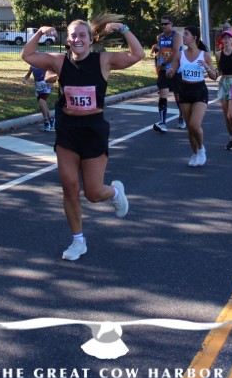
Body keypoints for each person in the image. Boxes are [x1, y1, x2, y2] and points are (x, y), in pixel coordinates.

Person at [21, 15, 144, 261]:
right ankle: (78, 241)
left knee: (93, 193)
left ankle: (115, 192)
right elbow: (27, 55)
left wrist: (123, 29)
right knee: (69, 187)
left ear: (90, 39)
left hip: (93, 129)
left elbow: (137, 54)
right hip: (67, 129)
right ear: (68, 40)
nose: (77, 39)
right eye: (73, 36)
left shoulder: (103, 61)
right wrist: (40, 32)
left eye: (82, 35)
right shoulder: (59, 62)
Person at [171, 26, 218, 166]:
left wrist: (207, 67)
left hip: (199, 90)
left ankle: (201, 149)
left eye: (186, 34)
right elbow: (171, 72)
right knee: (190, 128)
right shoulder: (180, 55)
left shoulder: (205, 55)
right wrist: (169, 72)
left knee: (195, 124)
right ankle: (195, 153)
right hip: (184, 90)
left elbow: (214, 76)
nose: (183, 36)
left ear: (194, 37)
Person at [152, 16, 182, 134]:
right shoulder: (160, 37)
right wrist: (159, 67)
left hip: (175, 69)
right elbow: (160, 52)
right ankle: (162, 123)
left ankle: (182, 116)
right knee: (163, 94)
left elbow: (175, 52)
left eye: (165, 24)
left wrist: (164, 63)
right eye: (162, 24)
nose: (163, 26)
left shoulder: (176, 36)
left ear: (171, 24)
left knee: (178, 96)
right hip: (163, 70)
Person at [24, 65, 57, 131]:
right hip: (38, 88)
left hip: (46, 87)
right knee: (43, 105)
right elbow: (28, 75)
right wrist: (25, 79)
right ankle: (51, 119)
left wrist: (52, 83)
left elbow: (53, 73)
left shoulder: (44, 65)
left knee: (41, 103)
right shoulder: (32, 66)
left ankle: (46, 122)